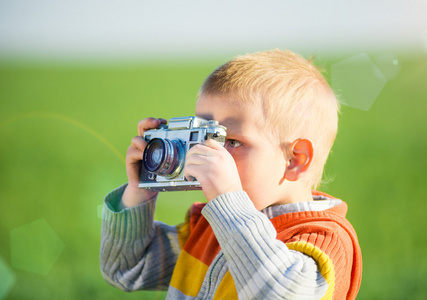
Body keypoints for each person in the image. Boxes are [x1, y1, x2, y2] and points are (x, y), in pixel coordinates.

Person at [100, 49, 362, 299]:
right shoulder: (207, 229)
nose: (211, 153)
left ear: (295, 159)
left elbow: (281, 293)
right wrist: (140, 191)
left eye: (232, 142)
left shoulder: (325, 240)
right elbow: (127, 269)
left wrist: (229, 204)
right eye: (204, 137)